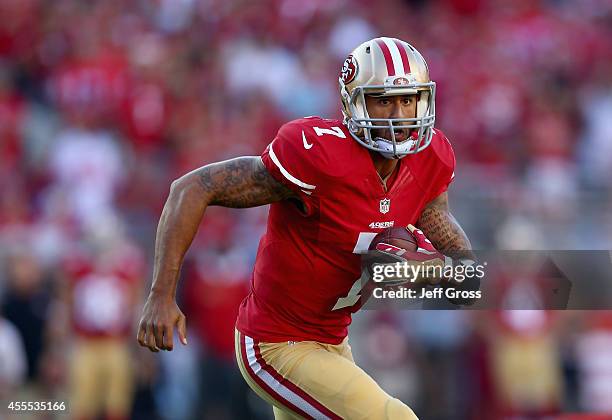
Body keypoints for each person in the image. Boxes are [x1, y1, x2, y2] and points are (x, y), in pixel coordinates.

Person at [137, 37, 476, 419]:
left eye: (408, 99)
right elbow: (192, 187)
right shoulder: (319, 157)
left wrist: (456, 267)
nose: (399, 114)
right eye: (384, 100)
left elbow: (436, 216)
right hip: (275, 344)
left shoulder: (430, 157)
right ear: (354, 102)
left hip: (332, 341)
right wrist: (161, 294)